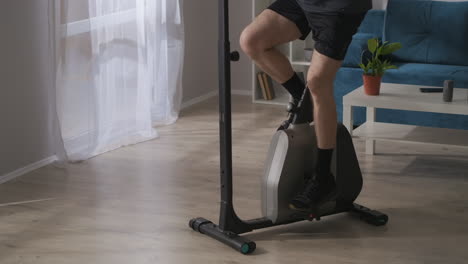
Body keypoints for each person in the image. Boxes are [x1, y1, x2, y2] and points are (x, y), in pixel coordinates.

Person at [240, 0, 371, 210]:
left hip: (339, 7)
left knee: (318, 82)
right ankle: (304, 100)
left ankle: (323, 177)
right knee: (252, 40)